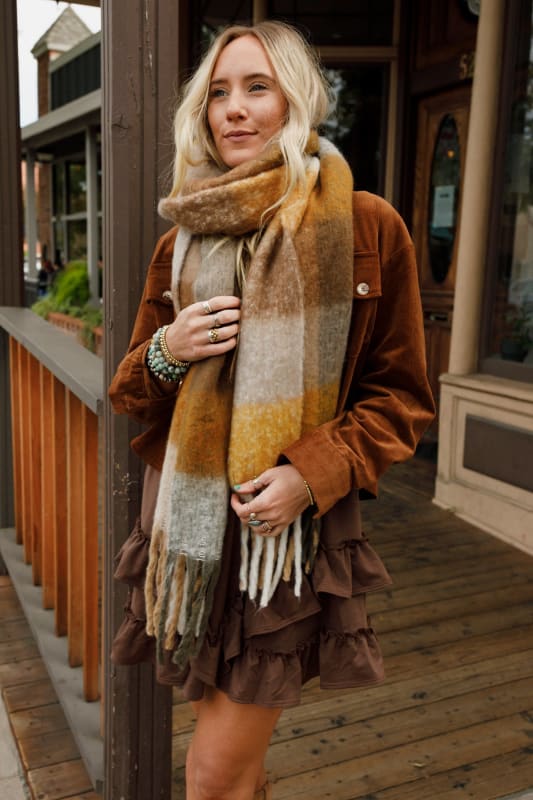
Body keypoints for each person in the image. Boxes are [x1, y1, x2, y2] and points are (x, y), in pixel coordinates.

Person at [109, 20, 434, 800]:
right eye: (218, 92)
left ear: (295, 98)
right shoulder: (181, 240)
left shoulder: (365, 225)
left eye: (257, 87)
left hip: (284, 538)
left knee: (210, 774)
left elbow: (400, 399)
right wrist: (169, 350)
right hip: (190, 534)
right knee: (239, 770)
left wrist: (307, 475)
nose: (234, 108)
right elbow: (130, 391)